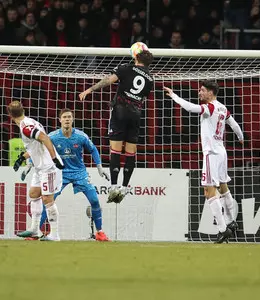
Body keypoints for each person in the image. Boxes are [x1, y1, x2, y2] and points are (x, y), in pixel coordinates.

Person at [163, 80, 244, 244]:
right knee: (223, 187)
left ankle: (223, 230)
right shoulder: (223, 108)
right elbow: (234, 124)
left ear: (211, 93)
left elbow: (191, 108)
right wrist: (241, 137)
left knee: (208, 191)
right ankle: (231, 221)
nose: (199, 93)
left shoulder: (211, 107)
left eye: (202, 90)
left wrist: (174, 96)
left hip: (212, 153)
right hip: (222, 152)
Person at [21, 108, 111, 241]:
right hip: (60, 173)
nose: (67, 119)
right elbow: (36, 148)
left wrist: (99, 167)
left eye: (69, 117)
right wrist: (29, 164)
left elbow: (93, 149)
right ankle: (36, 232)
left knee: (94, 200)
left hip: (79, 173)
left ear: (73, 119)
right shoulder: (53, 136)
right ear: (60, 120)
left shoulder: (81, 136)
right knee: (48, 201)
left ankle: (100, 232)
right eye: (64, 117)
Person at [78, 47, 154, 204]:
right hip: (136, 114)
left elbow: (108, 81)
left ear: (136, 58)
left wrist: (90, 89)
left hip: (120, 111)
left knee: (116, 150)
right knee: (131, 152)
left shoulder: (126, 68)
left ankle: (113, 186)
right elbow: (142, 99)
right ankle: (125, 187)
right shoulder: (150, 79)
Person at [10, 101, 64, 242]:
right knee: (34, 193)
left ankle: (55, 234)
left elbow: (45, 138)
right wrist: (22, 157)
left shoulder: (26, 127)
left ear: (10, 116)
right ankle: (34, 229)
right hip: (39, 167)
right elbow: (35, 146)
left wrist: (53, 157)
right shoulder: (29, 121)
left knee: (47, 199)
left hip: (48, 167)